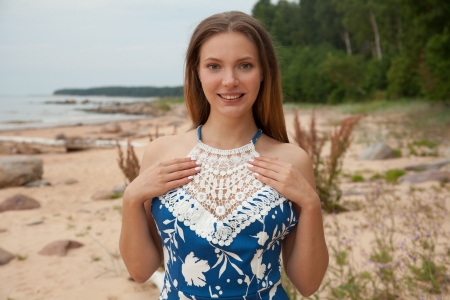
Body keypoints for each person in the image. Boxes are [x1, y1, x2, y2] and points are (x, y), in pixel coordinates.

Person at [119, 11, 328, 299]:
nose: (229, 81)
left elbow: (308, 284)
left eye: (245, 65)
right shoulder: (161, 152)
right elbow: (141, 271)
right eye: (214, 66)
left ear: (264, 71)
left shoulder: (292, 160)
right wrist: (131, 199)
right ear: (197, 72)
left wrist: (311, 204)